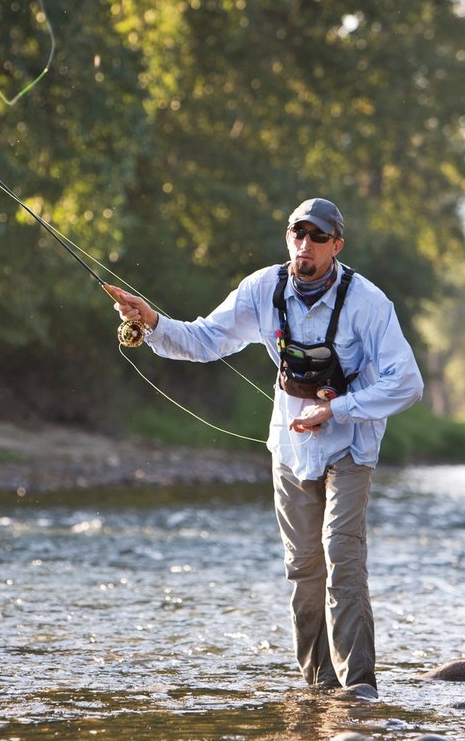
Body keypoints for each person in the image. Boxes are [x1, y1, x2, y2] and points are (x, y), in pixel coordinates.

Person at [106, 197, 423, 695]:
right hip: (291, 449)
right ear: (288, 238)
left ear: (336, 245)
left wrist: (337, 409)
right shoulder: (262, 289)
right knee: (303, 568)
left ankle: (359, 688)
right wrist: (152, 323)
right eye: (299, 233)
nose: (306, 245)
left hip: (350, 446)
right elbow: (206, 340)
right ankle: (319, 687)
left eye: (319, 237)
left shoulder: (368, 303)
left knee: (342, 558)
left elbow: (407, 383)